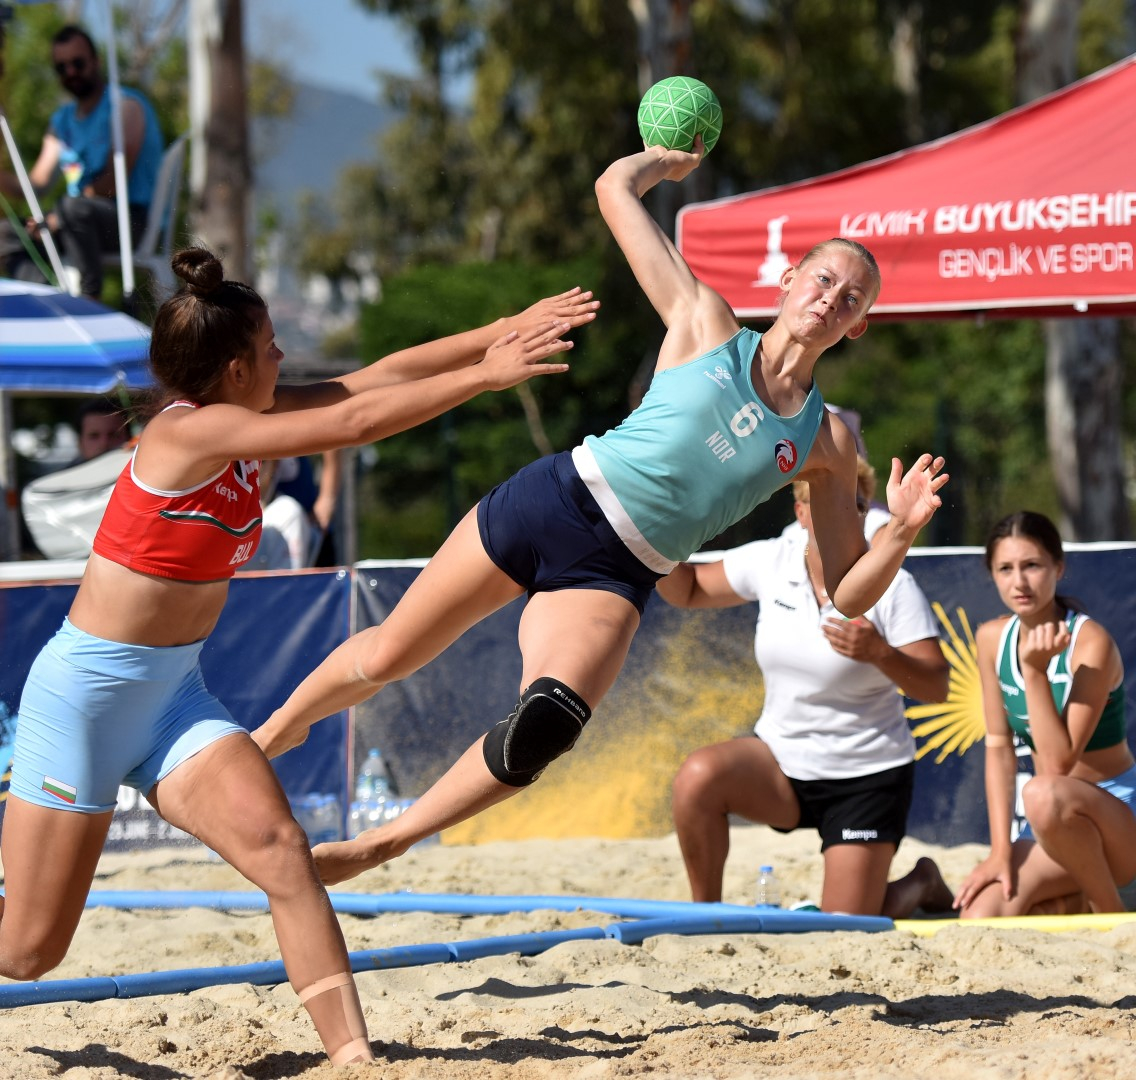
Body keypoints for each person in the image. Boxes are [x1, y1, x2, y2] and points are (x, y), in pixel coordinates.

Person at [251, 139, 948, 887]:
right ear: (787, 280)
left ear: (858, 326)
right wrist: (662, 162)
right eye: (822, 279)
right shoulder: (703, 320)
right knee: (388, 655)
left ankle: (384, 843)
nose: (829, 300)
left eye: (850, 300)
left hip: (619, 571)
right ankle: (266, 741)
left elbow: (843, 592)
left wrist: (900, 532)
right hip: (555, 501)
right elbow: (614, 188)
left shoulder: (827, 441)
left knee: (544, 730)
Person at [1, 245, 595, 1065]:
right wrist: (487, 376)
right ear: (237, 366)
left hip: (172, 700)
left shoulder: (251, 414)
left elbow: (372, 380)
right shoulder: (189, 433)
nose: (283, 355)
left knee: (285, 854)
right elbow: (353, 424)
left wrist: (502, 330)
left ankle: (353, 1058)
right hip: (84, 701)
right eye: (273, 345)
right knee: (28, 954)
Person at [660, 459, 953, 917]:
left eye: (856, 504)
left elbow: (937, 687)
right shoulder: (775, 559)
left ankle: (920, 882)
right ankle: (706, 916)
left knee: (843, 926)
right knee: (697, 778)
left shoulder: (893, 584)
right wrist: (651, 529)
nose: (846, 513)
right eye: (830, 501)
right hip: (783, 761)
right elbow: (690, 589)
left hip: (866, 776)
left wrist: (881, 653)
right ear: (800, 515)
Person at [954, 510, 1136, 918]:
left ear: (1058, 566)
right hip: (1051, 825)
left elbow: (1057, 764)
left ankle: (1110, 915)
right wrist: (1000, 852)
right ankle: (1072, 898)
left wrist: (1034, 671)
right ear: (992, 575)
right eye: (1005, 568)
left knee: (1040, 792)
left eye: (1032, 565)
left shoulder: (1091, 643)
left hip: (1119, 821)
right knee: (979, 915)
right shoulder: (991, 638)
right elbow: (999, 749)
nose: (1019, 582)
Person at [0, 25, 165, 301]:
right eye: (61, 67)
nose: (71, 72)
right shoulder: (62, 121)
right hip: (75, 221)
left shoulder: (125, 106)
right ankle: (48, 300)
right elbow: (36, 185)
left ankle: (88, 300)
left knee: (72, 207)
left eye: (78, 63)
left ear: (96, 61)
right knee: (6, 233)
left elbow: (114, 183)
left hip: (129, 221)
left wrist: (58, 216)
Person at [69, 396, 129, 465]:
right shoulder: (62, 475)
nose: (104, 443)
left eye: (113, 435)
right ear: (80, 442)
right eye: (94, 436)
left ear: (129, 437)